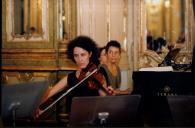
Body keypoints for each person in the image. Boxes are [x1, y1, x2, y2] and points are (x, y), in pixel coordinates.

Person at [36, 36, 114, 117]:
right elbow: (50, 92)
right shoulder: (70, 77)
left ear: (90, 54)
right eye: (76, 55)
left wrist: (99, 87)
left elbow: (104, 99)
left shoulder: (98, 72)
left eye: (83, 55)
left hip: (94, 117)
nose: (80, 59)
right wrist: (41, 107)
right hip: (74, 118)